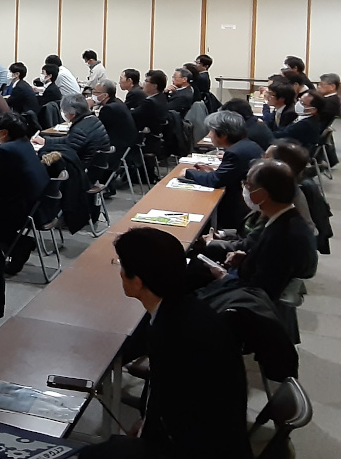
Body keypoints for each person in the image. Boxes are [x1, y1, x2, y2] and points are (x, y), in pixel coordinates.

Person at [41, 228, 248, 459]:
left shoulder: (174, 333)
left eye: (122, 268)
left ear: (138, 281)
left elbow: (180, 417)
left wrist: (148, 434)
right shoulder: (185, 310)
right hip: (207, 452)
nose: (119, 273)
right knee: (94, 456)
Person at [197, 159, 316, 302]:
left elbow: (259, 291)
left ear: (262, 193)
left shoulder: (282, 236)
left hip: (248, 300)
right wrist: (247, 258)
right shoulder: (286, 218)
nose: (245, 188)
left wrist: (224, 276)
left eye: (248, 185)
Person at [0, 112, 49, 274]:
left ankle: (18, 246)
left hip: (18, 208)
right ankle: (19, 245)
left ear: (4, 133)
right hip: (37, 205)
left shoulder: (6, 150)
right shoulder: (25, 143)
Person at [181, 111, 264, 229]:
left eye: (212, 131)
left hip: (239, 208)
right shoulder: (249, 144)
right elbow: (225, 175)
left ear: (223, 134)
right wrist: (212, 172)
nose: (209, 135)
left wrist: (188, 172)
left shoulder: (234, 153)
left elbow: (216, 181)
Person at [92, 81, 137, 179]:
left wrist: (87, 109)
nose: (93, 95)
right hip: (126, 144)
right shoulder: (118, 102)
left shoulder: (108, 109)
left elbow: (95, 129)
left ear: (105, 95)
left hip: (116, 147)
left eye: (95, 93)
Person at [55, 94, 110, 164]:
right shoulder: (93, 119)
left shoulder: (79, 130)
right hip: (97, 162)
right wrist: (46, 141)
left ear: (72, 114)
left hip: (84, 166)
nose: (62, 113)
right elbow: (69, 140)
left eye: (64, 111)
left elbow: (69, 154)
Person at [131, 69, 168, 143]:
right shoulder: (162, 97)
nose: (143, 84)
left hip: (147, 138)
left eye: (146, 81)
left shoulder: (150, 102)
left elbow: (133, 115)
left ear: (154, 86)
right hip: (156, 137)